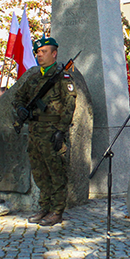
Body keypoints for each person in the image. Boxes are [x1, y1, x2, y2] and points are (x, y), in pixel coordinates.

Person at [12, 36, 77, 227]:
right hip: (35, 131)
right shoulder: (33, 78)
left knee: (56, 171)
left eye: (43, 52)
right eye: (37, 52)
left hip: (53, 131)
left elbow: (69, 105)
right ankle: (45, 206)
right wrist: (21, 109)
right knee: (40, 172)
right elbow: (17, 97)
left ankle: (57, 211)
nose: (39, 55)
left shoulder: (63, 78)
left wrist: (60, 131)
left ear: (54, 54)